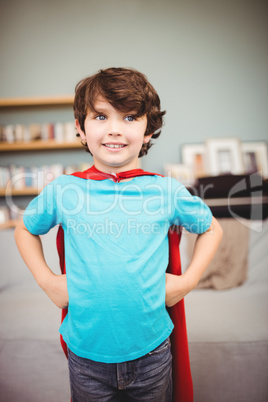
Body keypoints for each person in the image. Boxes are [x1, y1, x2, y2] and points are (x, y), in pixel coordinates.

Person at [14, 67, 223, 402]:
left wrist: (187, 281)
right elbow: (25, 229)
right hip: (86, 356)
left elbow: (212, 228)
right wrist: (47, 280)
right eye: (100, 116)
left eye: (129, 117)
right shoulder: (65, 190)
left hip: (152, 352)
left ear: (148, 131)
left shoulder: (165, 191)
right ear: (80, 129)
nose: (113, 129)